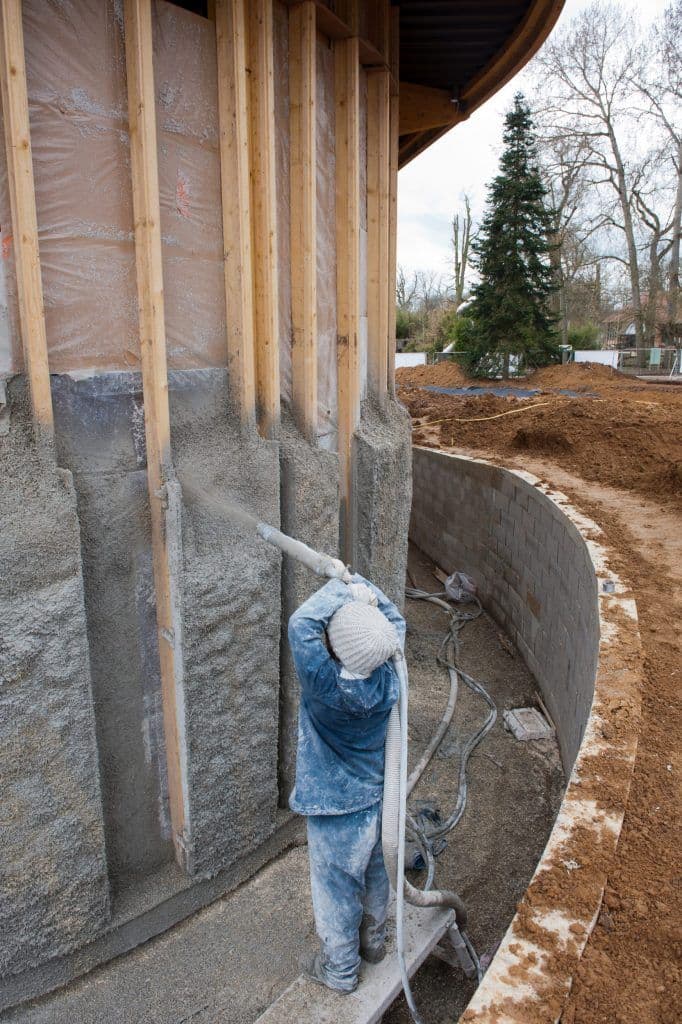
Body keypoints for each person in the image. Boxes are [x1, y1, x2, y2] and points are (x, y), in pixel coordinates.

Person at [287, 573, 406, 994]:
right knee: (377, 877)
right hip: (379, 802)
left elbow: (301, 625)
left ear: (335, 648)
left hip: (335, 812)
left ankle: (339, 970)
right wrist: (370, 593)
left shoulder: (324, 687)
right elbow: (395, 625)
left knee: (336, 892)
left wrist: (344, 585)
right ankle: (373, 945)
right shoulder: (390, 678)